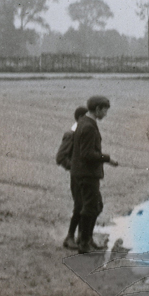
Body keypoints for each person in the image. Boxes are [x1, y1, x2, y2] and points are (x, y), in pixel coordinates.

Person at [69, 95, 118, 251]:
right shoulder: (89, 126)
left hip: (81, 173)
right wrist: (107, 159)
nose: (105, 114)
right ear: (97, 109)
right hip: (87, 174)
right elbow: (87, 154)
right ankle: (84, 243)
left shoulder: (83, 122)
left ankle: (86, 239)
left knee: (95, 206)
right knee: (91, 207)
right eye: (104, 111)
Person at [60, 106, 88, 249]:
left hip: (85, 175)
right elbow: (60, 157)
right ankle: (70, 237)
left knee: (86, 205)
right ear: (79, 118)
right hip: (77, 176)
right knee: (79, 206)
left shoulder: (83, 133)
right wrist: (74, 168)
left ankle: (81, 237)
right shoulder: (71, 134)